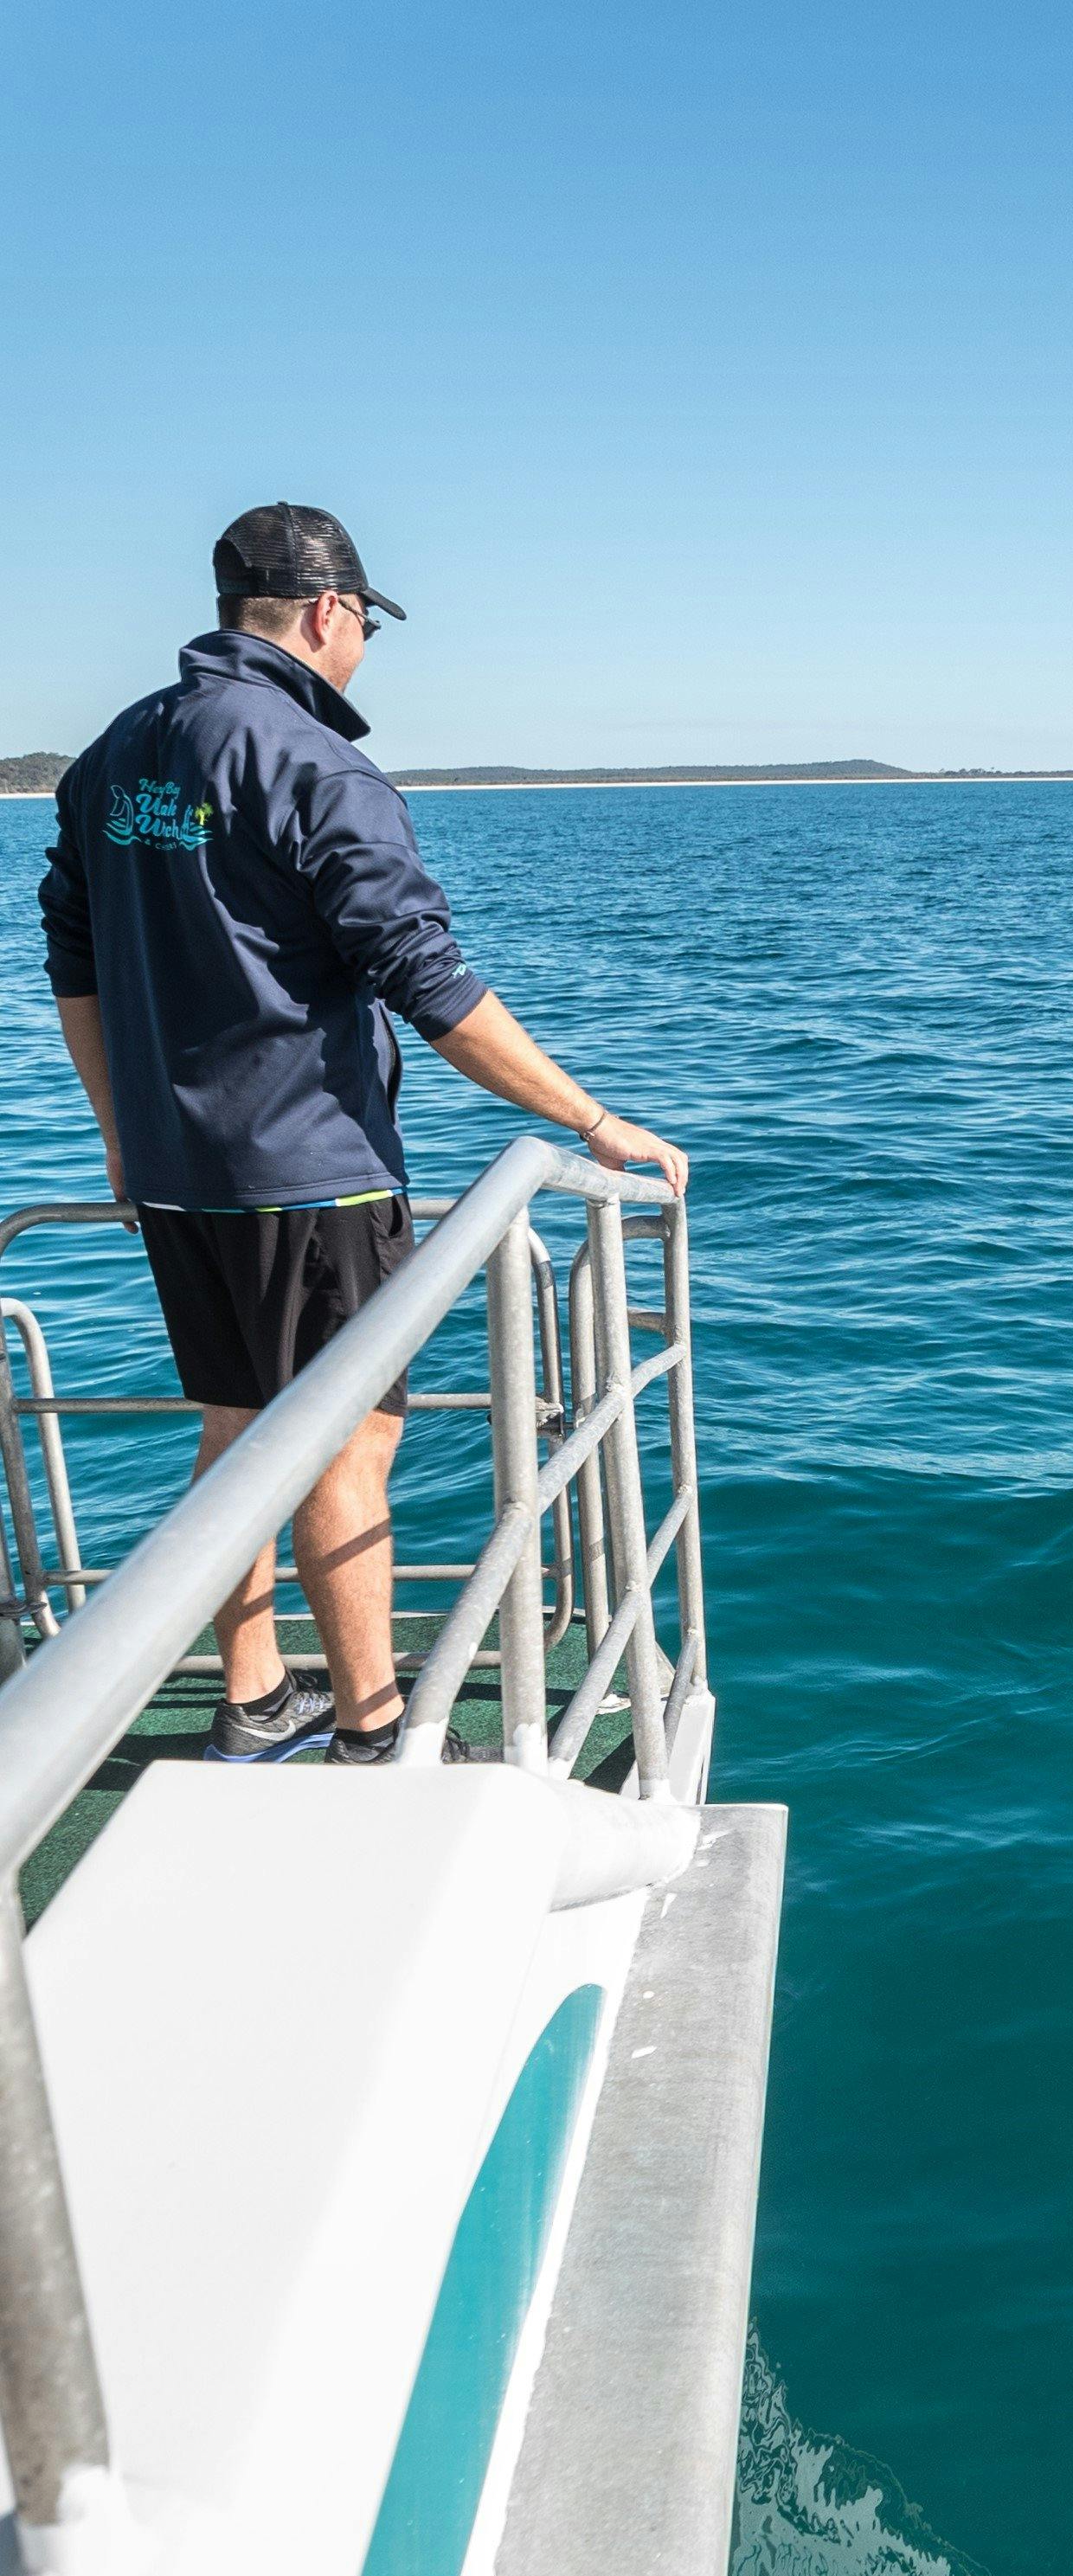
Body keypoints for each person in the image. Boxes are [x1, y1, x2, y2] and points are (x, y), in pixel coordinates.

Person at [36, 503, 687, 1764]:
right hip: (309, 1172)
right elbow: (428, 984)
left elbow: (72, 952)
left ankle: (255, 1699)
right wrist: (594, 1122)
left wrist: (122, 1133)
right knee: (346, 1443)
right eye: (363, 628)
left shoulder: (117, 753)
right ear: (332, 614)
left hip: (176, 1171)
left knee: (235, 1433)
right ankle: (376, 1729)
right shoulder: (314, 763)